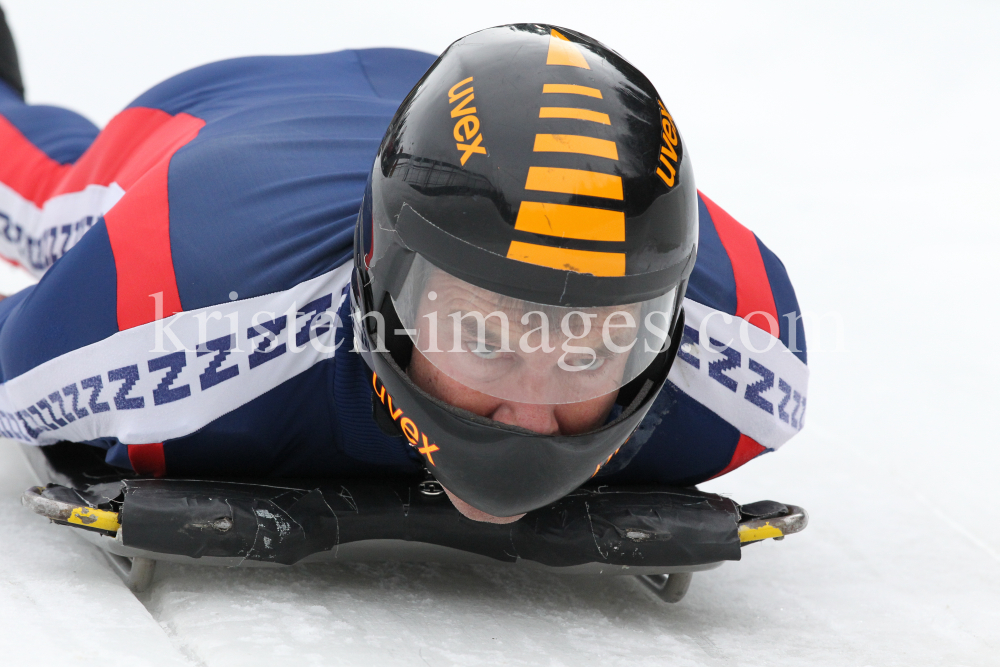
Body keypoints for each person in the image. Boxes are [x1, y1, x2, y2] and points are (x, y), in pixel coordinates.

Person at [0, 13, 808, 524]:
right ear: (385, 289)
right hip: (237, 136)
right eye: (486, 339)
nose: (529, 420)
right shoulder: (170, 305)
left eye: (586, 355)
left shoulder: (753, 355)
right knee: (44, 192)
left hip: (455, 117)